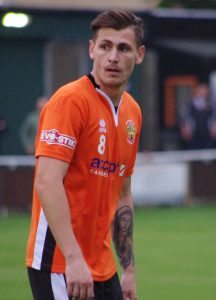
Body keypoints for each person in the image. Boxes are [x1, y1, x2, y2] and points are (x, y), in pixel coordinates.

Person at [26, 9, 145, 300]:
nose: (113, 57)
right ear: (92, 50)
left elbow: (122, 193)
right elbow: (47, 182)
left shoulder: (132, 112)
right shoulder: (69, 101)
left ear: (139, 55)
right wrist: (73, 258)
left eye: (123, 48)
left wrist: (128, 269)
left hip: (103, 267)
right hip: (59, 264)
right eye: (105, 46)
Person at [179, 83, 216, 149]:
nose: (203, 96)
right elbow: (182, 121)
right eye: (201, 93)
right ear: (195, 93)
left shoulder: (213, 107)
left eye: (205, 94)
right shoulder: (187, 107)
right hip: (192, 140)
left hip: (209, 140)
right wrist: (185, 131)